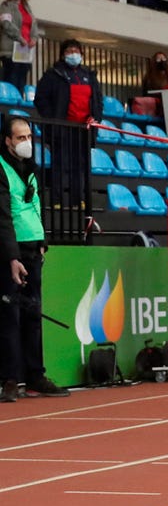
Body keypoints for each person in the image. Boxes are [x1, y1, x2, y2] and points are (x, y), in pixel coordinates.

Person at [0, 116, 71, 401]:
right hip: (10, 253)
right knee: (9, 316)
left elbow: (35, 207)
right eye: (20, 138)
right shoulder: (2, 170)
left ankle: (34, 376)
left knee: (33, 315)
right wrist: (12, 257)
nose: (27, 143)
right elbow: (3, 216)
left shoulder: (30, 169)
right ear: (7, 141)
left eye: (29, 137)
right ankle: (9, 378)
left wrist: (42, 243)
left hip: (32, 248)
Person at [34, 39, 102, 210]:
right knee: (60, 164)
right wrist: (54, 118)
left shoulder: (89, 75)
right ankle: (56, 200)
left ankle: (78, 200)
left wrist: (95, 118)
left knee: (80, 166)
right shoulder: (54, 74)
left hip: (83, 129)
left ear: (82, 54)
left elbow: (97, 101)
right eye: (69, 51)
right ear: (63, 54)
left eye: (76, 51)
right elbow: (40, 99)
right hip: (61, 128)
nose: (73, 54)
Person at [0, 0, 41, 92]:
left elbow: (34, 26)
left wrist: (33, 38)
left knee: (21, 82)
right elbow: (6, 24)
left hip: (25, 51)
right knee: (11, 80)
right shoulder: (5, 5)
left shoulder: (27, 8)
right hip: (10, 50)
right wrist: (20, 38)